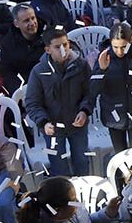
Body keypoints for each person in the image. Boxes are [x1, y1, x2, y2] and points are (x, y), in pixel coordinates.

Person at [24, 26, 96, 177]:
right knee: (59, 168)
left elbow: (90, 93)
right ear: (48, 50)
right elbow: (32, 103)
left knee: (82, 162)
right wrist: (43, 122)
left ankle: (84, 195)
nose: (63, 49)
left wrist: (84, 111)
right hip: (53, 128)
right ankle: (63, 198)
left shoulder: (81, 65)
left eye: (65, 45)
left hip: (78, 125)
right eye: (57, 47)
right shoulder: (38, 71)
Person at [94, 22, 132, 153]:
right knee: (120, 157)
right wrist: (102, 70)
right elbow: (94, 90)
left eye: (123, 46)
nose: (120, 51)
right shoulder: (104, 57)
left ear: (131, 40)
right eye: (115, 47)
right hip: (114, 116)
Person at [0, 3, 43, 91]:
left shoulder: (47, 34)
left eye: (33, 18)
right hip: (27, 87)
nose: (32, 23)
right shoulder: (8, 45)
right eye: (26, 20)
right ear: (16, 24)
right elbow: (8, 73)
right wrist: (21, 90)